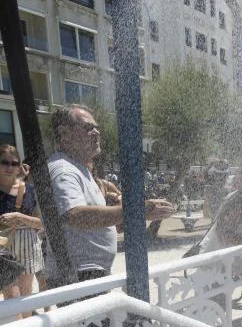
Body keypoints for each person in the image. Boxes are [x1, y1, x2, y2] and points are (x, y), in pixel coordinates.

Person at [44, 105, 174, 288]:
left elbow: (110, 227)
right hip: (79, 274)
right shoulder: (63, 170)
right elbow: (76, 217)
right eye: (88, 128)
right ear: (64, 134)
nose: (96, 132)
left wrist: (116, 210)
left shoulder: (79, 169)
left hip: (89, 272)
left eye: (96, 127)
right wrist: (139, 209)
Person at [0, 144, 43, 308]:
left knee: (25, 295)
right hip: (3, 246)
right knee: (12, 295)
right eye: (5, 162)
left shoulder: (29, 190)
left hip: (28, 244)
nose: (10, 167)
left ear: (19, 167)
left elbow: (40, 222)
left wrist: (18, 216)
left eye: (14, 163)